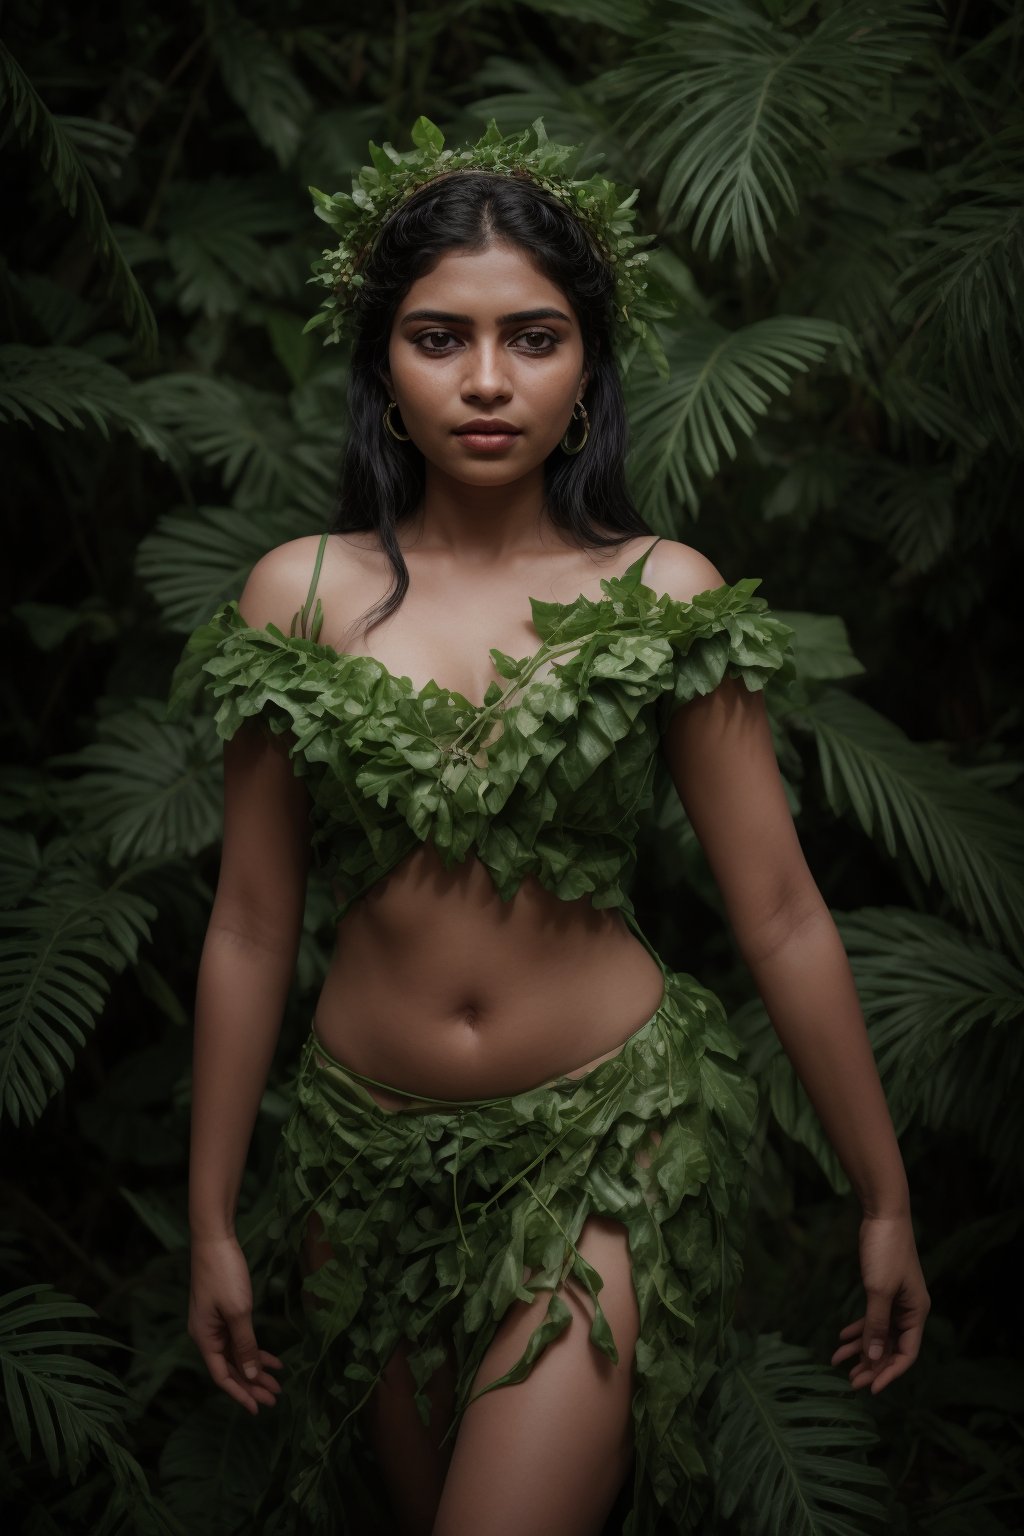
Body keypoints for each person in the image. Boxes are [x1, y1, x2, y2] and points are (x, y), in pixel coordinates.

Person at [173, 119, 930, 1536]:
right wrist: (214, 1221)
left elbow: (777, 910)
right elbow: (252, 920)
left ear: (587, 371)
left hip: (607, 1139)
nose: (484, 380)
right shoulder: (297, 593)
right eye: (437, 338)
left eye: (532, 338)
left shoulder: (662, 588)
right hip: (360, 1156)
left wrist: (882, 1194)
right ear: (381, 370)